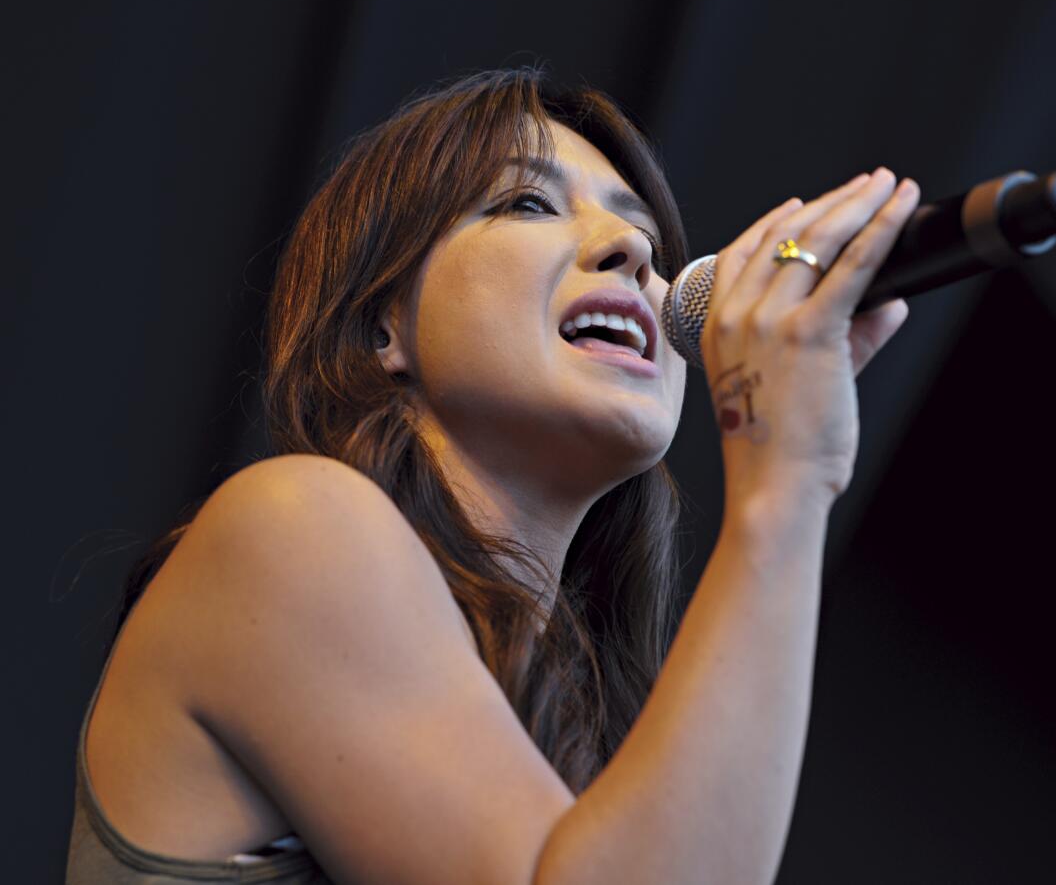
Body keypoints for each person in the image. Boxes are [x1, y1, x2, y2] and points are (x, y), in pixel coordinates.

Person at [65, 66, 916, 884]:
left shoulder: (597, 752)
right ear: (380, 326)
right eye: (526, 201)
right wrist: (786, 484)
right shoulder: (291, 525)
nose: (632, 248)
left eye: (651, 243)